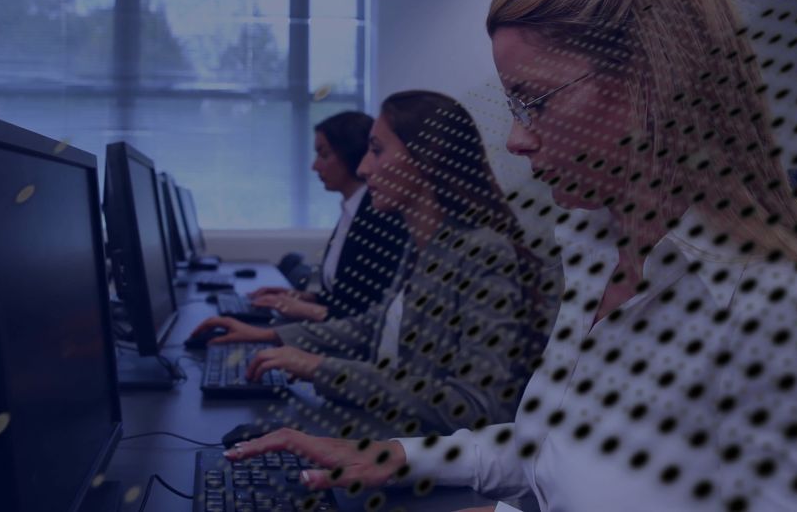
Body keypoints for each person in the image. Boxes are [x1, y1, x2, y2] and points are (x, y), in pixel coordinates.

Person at [219, 0, 797, 510]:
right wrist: (392, 455)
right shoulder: (598, 259)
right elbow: (544, 448)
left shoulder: (792, 321)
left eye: (535, 102)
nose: (516, 139)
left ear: (658, 86)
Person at [191, 90, 556, 434]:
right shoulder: (423, 243)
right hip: (390, 435)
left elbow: (477, 405)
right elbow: (372, 327)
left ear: (425, 159)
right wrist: (272, 338)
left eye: (377, 151)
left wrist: (323, 368)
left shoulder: (483, 252)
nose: (364, 168)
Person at [248, 111, 408, 322]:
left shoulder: (379, 217)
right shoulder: (352, 209)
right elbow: (346, 297)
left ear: (352, 154)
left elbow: (367, 312)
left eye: (324, 155)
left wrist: (304, 310)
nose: (315, 166)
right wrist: (301, 298)